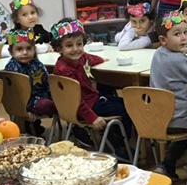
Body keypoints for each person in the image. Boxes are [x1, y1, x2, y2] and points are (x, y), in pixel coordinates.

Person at [51, 19, 130, 158]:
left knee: (128, 103)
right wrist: (92, 118)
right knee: (128, 109)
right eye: (69, 45)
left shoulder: (80, 58)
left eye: (79, 44)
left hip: (91, 100)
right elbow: (75, 99)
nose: (76, 49)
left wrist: (101, 60)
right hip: (86, 106)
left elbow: (90, 58)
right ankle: (120, 147)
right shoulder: (64, 69)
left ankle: (112, 137)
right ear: (59, 49)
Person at [149, 11, 187, 181]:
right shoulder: (178, 60)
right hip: (178, 118)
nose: (184, 37)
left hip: (159, 116)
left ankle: (167, 165)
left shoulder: (158, 53)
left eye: (185, 32)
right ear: (163, 39)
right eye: (177, 34)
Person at [2, 29, 55, 136]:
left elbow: (47, 83)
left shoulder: (37, 64)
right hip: (26, 102)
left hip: (41, 95)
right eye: (19, 49)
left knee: (62, 100)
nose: (25, 52)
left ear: (34, 49)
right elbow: (13, 95)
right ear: (11, 51)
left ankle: (36, 127)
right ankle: (31, 127)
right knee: (46, 105)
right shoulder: (12, 68)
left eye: (29, 48)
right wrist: (24, 111)